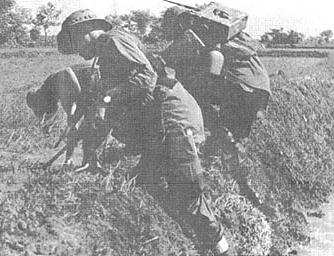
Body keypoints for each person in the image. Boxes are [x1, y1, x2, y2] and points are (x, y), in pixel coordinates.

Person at [57, 9, 231, 256]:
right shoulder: (107, 52)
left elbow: (145, 76)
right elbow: (113, 110)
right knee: (146, 181)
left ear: (84, 31)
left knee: (188, 192)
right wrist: (89, 152)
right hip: (160, 121)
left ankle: (222, 250)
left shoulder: (111, 41)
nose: (77, 52)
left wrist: (106, 99)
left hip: (174, 120)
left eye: (74, 44)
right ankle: (187, 243)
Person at [160, 6, 271, 206]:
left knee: (220, 128)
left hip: (242, 90)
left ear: (178, 23)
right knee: (228, 130)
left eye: (167, 24)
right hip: (256, 87)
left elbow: (209, 77)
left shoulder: (197, 40)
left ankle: (238, 180)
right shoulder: (221, 37)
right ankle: (237, 176)